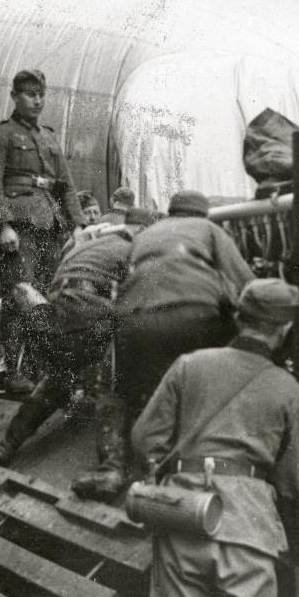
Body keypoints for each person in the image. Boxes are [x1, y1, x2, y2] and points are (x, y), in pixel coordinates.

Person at [130, 278, 299, 597]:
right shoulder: (290, 391)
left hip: (183, 517)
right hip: (247, 528)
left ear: (238, 318)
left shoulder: (188, 366)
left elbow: (145, 439)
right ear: (285, 329)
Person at [73, 189, 256, 501]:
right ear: (202, 214)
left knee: (117, 390)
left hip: (134, 322)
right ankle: (195, 471)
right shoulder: (210, 230)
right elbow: (246, 284)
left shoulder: (147, 235)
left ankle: (111, 469)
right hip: (194, 317)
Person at [0, 207, 160, 466]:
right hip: (88, 327)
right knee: (111, 384)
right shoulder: (138, 251)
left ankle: (5, 446)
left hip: (50, 326)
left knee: (56, 381)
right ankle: (110, 465)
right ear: (145, 231)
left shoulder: (91, 244)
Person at [0, 69, 86, 394]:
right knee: (19, 297)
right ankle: (13, 372)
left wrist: (79, 225)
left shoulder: (50, 137)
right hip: (20, 226)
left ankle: (38, 369)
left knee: (47, 299)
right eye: (29, 94)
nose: (37, 100)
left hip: (51, 225)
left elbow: (66, 186)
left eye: (41, 94)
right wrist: (2, 226)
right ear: (14, 96)